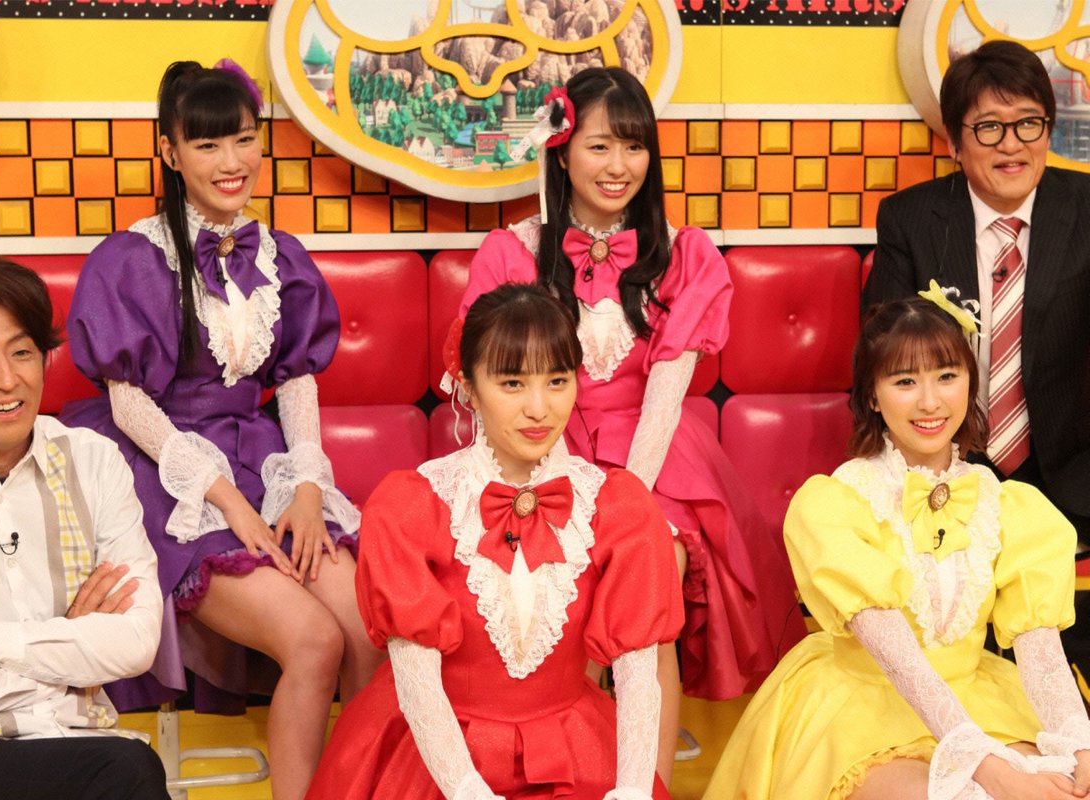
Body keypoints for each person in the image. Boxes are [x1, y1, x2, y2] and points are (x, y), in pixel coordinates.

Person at [456, 66, 806, 780]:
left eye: (635, 146)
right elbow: (500, 393)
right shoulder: (511, 253)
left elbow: (666, 396)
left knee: (647, 573)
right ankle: (567, 776)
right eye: (600, 146)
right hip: (540, 450)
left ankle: (650, 784)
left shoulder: (684, 255)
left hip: (657, 454)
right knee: (562, 585)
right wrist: (561, 493)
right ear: (561, 152)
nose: (619, 166)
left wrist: (622, 503)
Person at [61, 60, 381, 800]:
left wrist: (307, 486)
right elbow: (128, 406)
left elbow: (296, 379)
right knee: (313, 640)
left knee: (367, 629)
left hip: (261, 455)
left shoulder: (281, 255)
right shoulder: (130, 259)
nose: (231, 161)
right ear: (170, 153)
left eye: (242, 139)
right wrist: (228, 503)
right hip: (165, 469)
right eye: (206, 144)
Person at [704, 290, 1090, 800]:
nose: (930, 402)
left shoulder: (1009, 506)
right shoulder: (836, 504)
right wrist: (988, 769)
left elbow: (1041, 654)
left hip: (981, 701)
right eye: (905, 381)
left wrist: (1080, 747)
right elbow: (900, 661)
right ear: (871, 395)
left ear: (971, 381)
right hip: (861, 710)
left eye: (947, 376)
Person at [306, 283, 683, 800]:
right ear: (469, 386)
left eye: (557, 381)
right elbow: (417, 684)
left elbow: (638, 676)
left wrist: (634, 791)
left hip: (574, 751)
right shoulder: (412, 508)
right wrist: (468, 791)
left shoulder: (619, 508)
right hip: (438, 759)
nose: (539, 408)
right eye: (512, 383)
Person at [0, 256, 167, 799]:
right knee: (125, 770)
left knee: (123, 767)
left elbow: (135, 642)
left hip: (77, 743)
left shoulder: (93, 461)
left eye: (22, 352)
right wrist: (65, 660)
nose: (7, 379)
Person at [865, 39, 1090, 546]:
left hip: (1076, 481)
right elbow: (885, 356)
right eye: (989, 127)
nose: (1012, 145)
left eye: (1028, 123)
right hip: (946, 476)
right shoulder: (910, 220)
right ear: (954, 141)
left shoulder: (1085, 208)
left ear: (1048, 128)